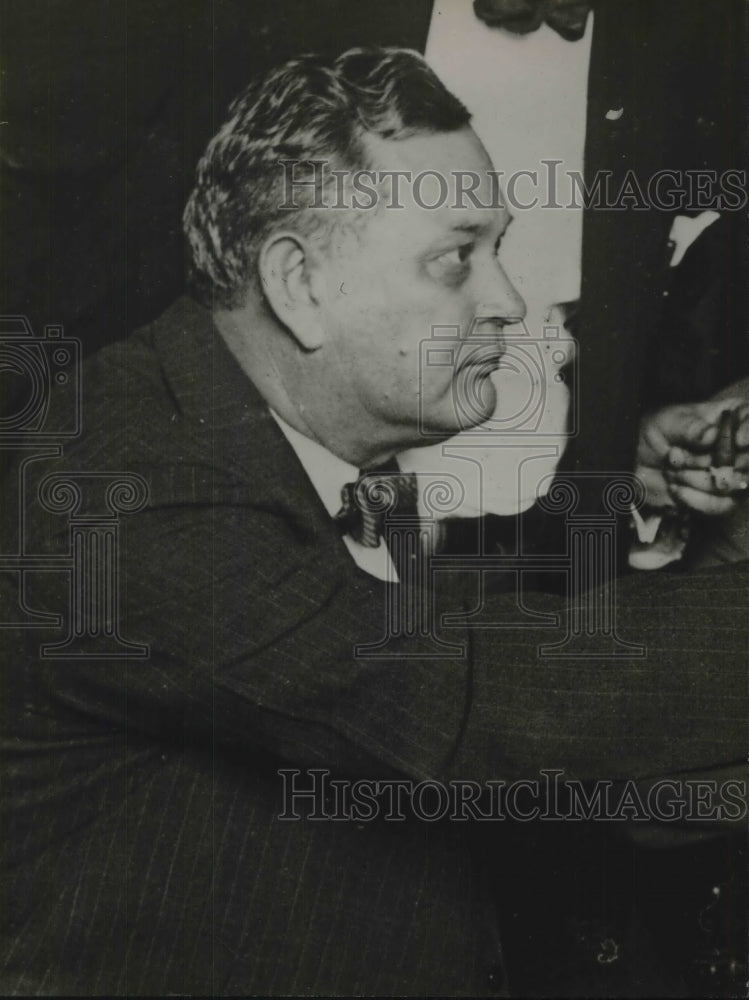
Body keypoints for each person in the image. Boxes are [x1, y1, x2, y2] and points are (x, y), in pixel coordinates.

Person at [0, 48, 746, 997]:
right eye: (456, 259)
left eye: (499, 251)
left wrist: (638, 489)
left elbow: (442, 624)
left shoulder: (276, 437)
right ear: (299, 282)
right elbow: (462, 698)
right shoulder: (125, 489)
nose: (507, 304)